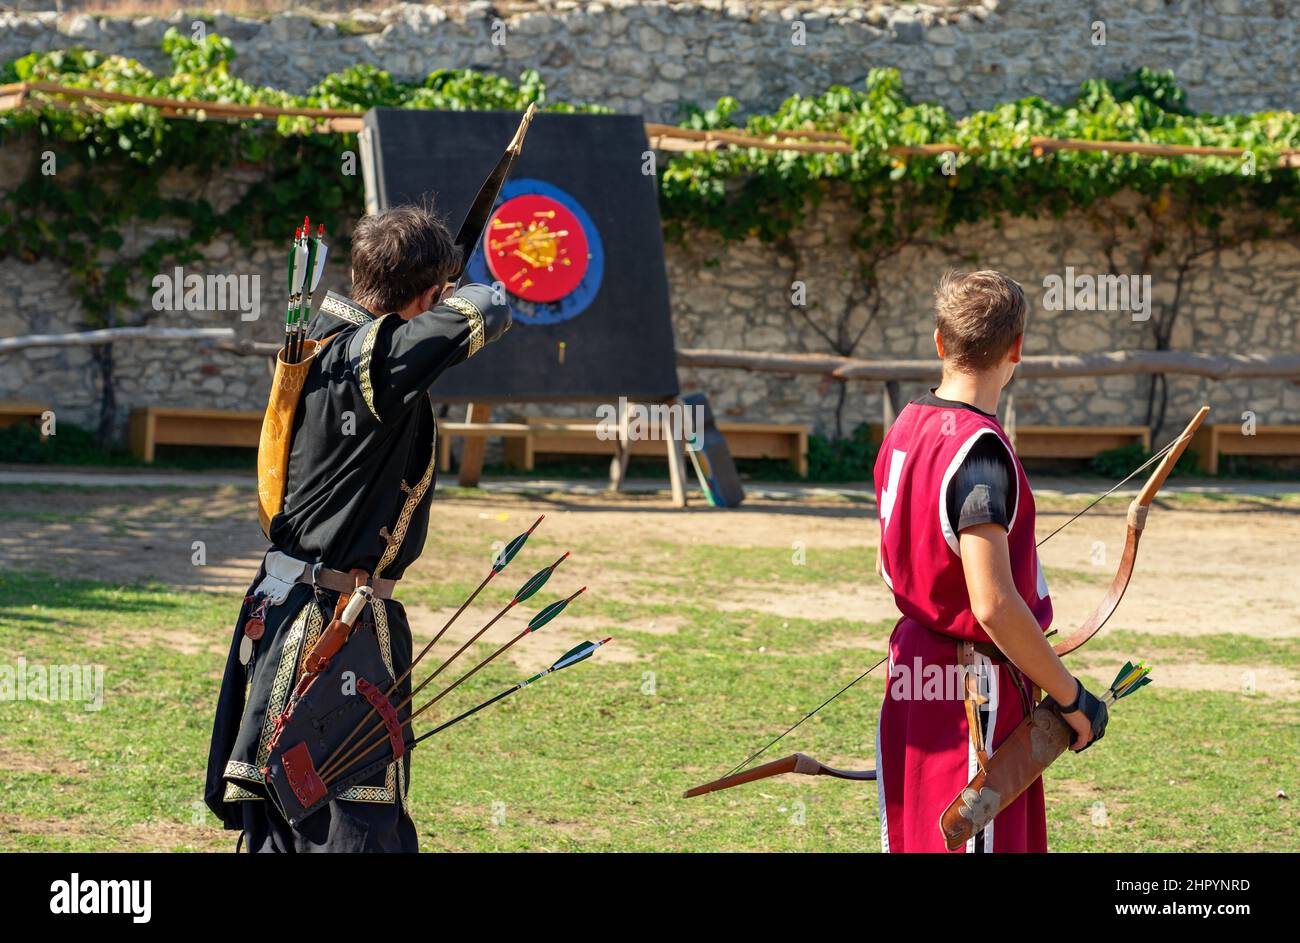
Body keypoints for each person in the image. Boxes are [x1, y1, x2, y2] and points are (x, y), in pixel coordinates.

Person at [204, 205, 511, 852]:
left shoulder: (314, 340)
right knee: (347, 820)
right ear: (429, 296)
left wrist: (433, 291)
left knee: (284, 812)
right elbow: (493, 305)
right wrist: (455, 293)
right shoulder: (375, 357)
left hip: (285, 601)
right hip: (332, 621)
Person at [873, 270, 1108, 853]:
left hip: (913, 669)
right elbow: (994, 604)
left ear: (939, 342)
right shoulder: (977, 451)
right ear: (1017, 349)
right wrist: (1071, 696)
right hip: (969, 690)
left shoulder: (905, 427)